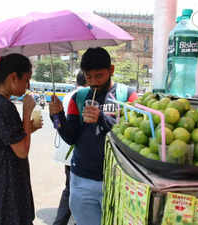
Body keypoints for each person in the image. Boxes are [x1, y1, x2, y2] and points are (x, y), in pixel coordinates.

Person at [49, 47, 138, 225]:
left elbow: (134, 137)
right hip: (82, 181)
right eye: (89, 77)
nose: (94, 82)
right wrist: (57, 117)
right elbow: (70, 137)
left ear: (111, 70)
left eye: (99, 75)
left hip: (117, 181)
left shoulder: (128, 96)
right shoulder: (78, 98)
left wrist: (102, 119)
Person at [0, 53, 43, 225]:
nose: (28, 85)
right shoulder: (2, 105)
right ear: (13, 77)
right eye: (26, 80)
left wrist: (29, 128)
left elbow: (6, 140)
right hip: (9, 185)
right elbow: (21, 151)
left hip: (1, 182)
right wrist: (27, 113)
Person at [52, 71, 87, 225]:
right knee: (73, 190)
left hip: (65, 151)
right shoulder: (84, 96)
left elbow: (57, 124)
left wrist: (55, 118)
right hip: (74, 151)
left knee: (70, 188)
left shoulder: (67, 95)